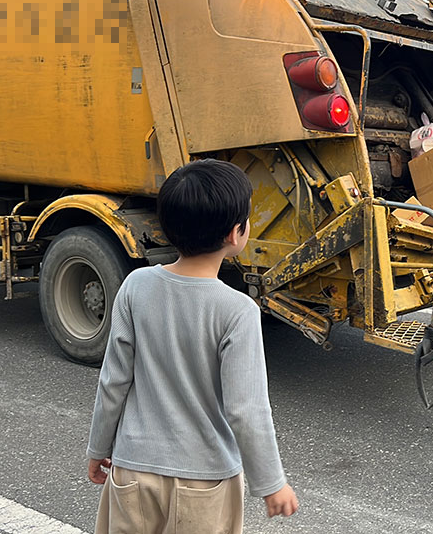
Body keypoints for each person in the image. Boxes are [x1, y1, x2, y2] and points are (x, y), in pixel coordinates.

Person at [86, 159, 298, 533]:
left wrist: (98, 448)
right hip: (206, 479)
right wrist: (271, 483)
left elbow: (113, 381)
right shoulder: (237, 311)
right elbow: (245, 409)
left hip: (133, 468)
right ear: (235, 234)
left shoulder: (136, 287)